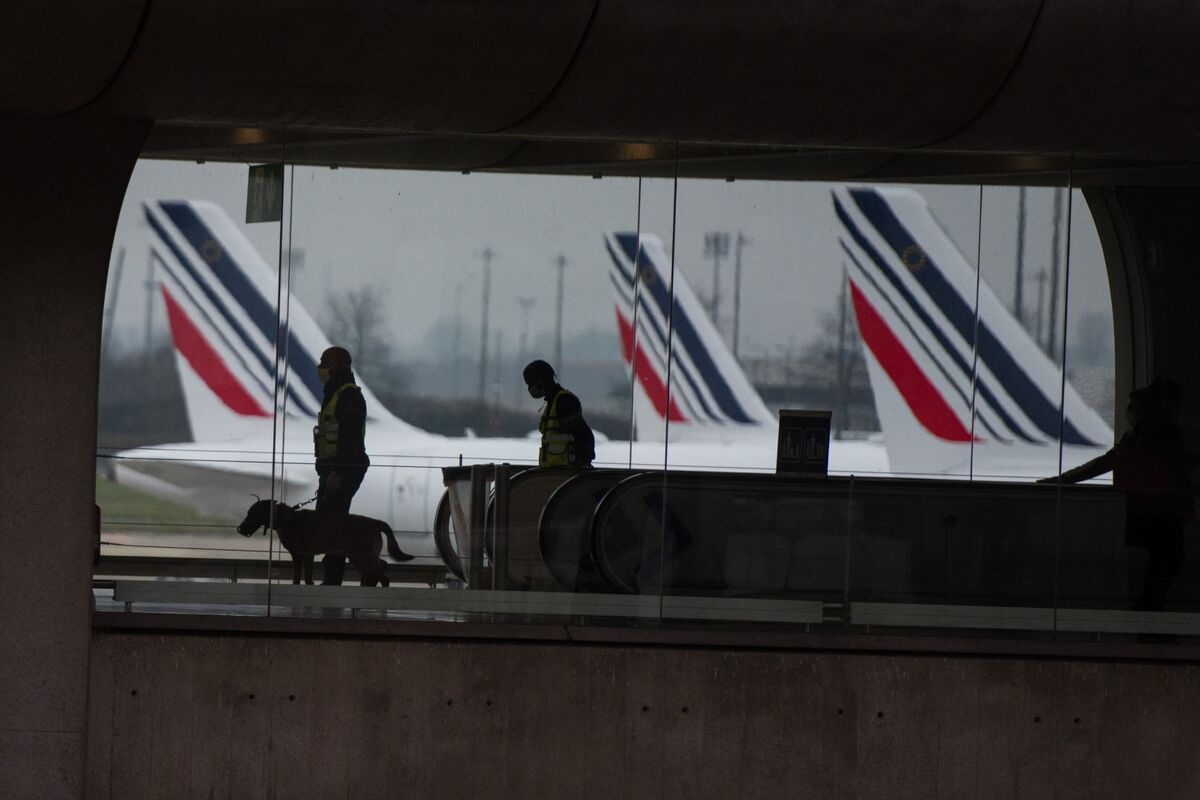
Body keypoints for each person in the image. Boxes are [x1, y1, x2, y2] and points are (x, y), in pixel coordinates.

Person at [1041, 378, 1191, 611]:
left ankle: (1147, 620)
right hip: (1164, 514)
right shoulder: (1166, 434)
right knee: (1164, 568)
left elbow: (1106, 463)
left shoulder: (1141, 436)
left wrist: (1062, 481)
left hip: (1148, 513)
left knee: (1158, 572)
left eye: (1132, 408)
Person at [313, 346, 370, 585]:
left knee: (332, 527)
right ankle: (339, 574)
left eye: (324, 362)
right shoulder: (336, 393)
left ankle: (334, 578)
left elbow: (349, 439)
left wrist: (337, 473)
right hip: (333, 471)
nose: (320, 368)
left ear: (336, 367)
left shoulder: (347, 396)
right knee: (330, 524)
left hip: (341, 471)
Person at [523, 359, 595, 468]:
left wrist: (583, 464)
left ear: (541, 380)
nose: (530, 388)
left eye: (530, 383)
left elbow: (584, 435)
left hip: (566, 474)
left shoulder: (564, 401)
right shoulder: (552, 403)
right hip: (554, 475)